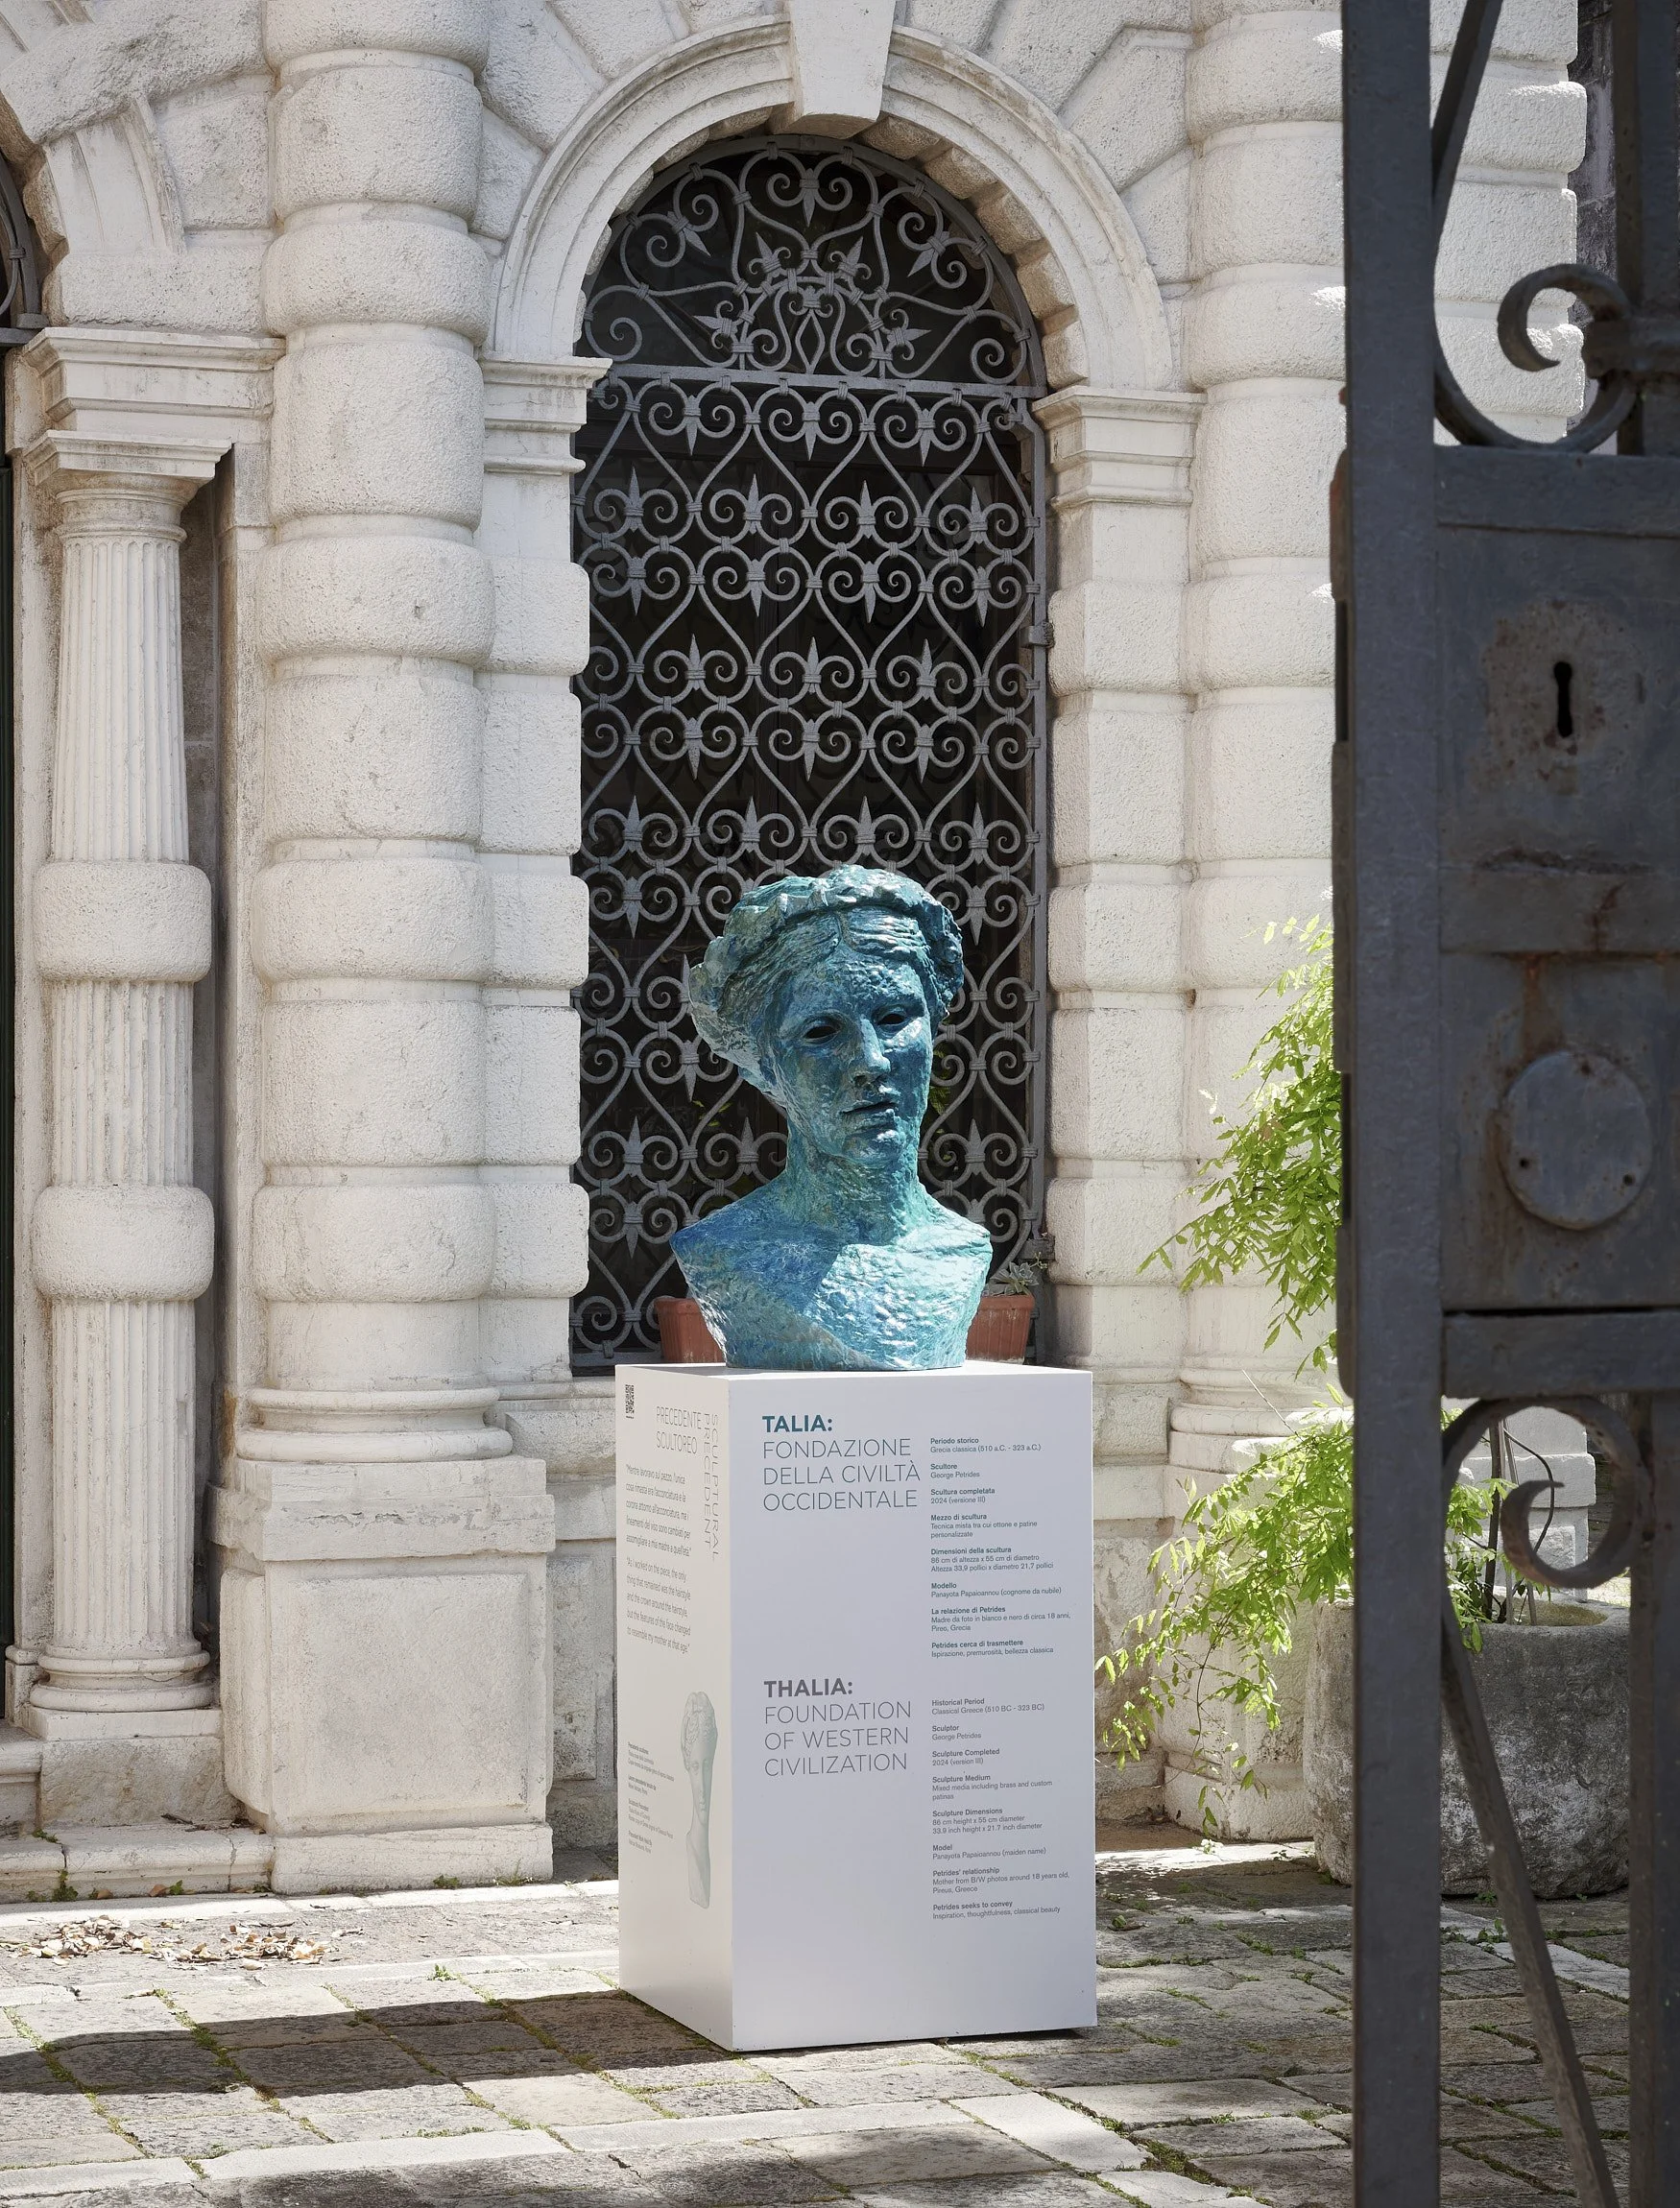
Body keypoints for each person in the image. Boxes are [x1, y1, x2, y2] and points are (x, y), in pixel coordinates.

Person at [674, 865, 992, 1369]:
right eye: (821, 1032)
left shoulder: (964, 1250)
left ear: (932, 1032)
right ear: (765, 1070)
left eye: (894, 1019)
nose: (871, 1061)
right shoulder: (725, 1252)